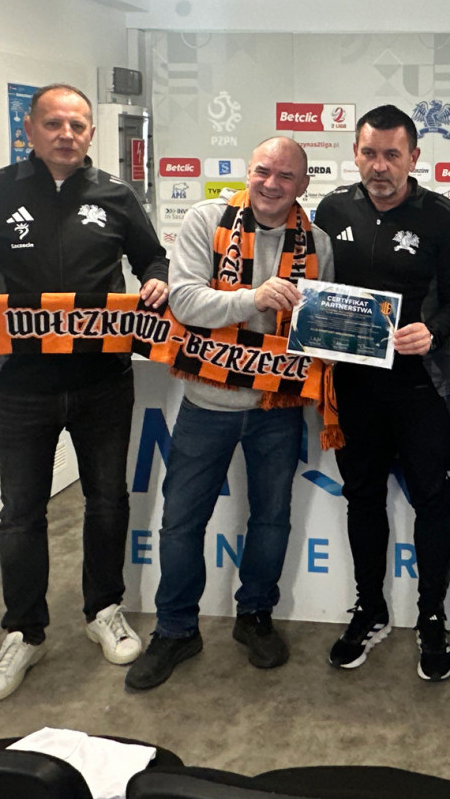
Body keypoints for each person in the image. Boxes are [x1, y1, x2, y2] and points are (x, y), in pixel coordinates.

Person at [0, 83, 168, 704]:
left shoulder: (116, 195)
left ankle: (103, 609)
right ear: (29, 131)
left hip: (102, 380)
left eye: (78, 125)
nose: (66, 134)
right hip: (19, 384)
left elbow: (153, 258)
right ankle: (24, 632)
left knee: (107, 501)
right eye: (54, 123)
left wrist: (156, 282)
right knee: (21, 513)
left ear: (91, 134)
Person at [125, 137, 334, 691]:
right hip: (207, 402)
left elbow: (318, 325)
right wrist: (255, 298)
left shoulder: (317, 242)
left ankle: (255, 616)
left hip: (277, 405)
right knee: (181, 522)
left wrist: (351, 333)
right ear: (248, 173)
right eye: (263, 171)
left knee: (271, 519)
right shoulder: (205, 219)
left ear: (303, 184)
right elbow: (186, 301)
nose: (272, 183)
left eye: (285, 176)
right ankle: (175, 629)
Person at [314, 105, 450, 681]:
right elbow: (317, 287)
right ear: (355, 154)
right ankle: (370, 608)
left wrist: (434, 330)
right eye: (369, 153)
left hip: (421, 387)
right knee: (362, 499)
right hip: (354, 389)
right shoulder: (332, 209)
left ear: (413, 157)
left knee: (431, 502)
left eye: (392, 155)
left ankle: (432, 615)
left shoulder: (440, 216)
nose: (379, 166)